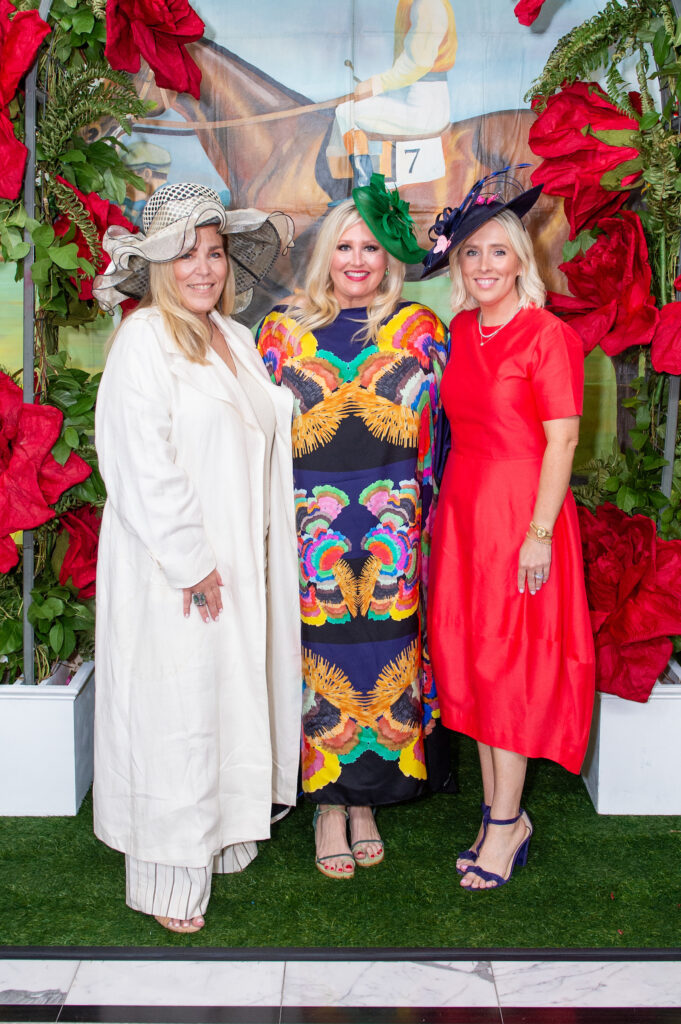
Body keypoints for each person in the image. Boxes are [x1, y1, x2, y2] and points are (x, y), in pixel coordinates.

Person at [91, 182, 301, 932]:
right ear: (156, 265)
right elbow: (139, 463)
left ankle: (216, 840)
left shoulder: (233, 339)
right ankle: (165, 878)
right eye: (186, 254)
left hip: (239, 559)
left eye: (212, 252)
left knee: (222, 703)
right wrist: (190, 561)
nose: (204, 268)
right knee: (174, 714)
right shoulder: (146, 340)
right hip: (175, 574)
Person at [256, 173, 451, 879]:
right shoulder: (280, 330)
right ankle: (326, 807)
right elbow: (256, 438)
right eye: (344, 246)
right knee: (320, 667)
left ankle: (365, 803)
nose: (358, 260)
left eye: (370, 247)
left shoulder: (419, 330)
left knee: (382, 662)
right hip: (313, 533)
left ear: (388, 258)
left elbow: (450, 433)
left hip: (395, 535)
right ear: (324, 256)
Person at [421, 168, 595, 890]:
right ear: (457, 266)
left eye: (498, 251)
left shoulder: (547, 337)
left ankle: (503, 824)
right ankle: (503, 813)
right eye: (470, 254)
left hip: (524, 513)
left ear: (522, 258)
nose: (484, 265)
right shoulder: (461, 328)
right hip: (464, 513)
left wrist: (539, 533)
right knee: (478, 662)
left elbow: (560, 441)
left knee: (510, 667)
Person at [327, 0, 457, 188]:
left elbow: (418, 63)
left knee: (346, 112)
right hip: (418, 96)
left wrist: (375, 84)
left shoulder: (427, 4)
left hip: (424, 105)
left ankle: (365, 190)